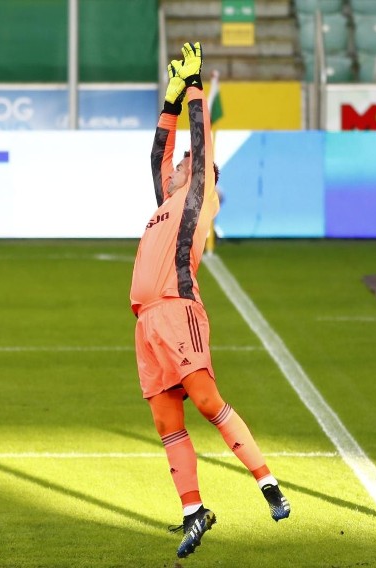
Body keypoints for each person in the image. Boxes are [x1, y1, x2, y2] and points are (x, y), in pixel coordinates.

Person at [129, 41, 291, 559]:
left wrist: (196, 89)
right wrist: (171, 100)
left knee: (204, 401)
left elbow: (199, 144)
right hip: (147, 322)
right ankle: (193, 510)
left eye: (185, 163)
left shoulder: (199, 197)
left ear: (200, 175)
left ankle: (267, 482)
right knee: (164, 420)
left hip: (179, 311)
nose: (175, 164)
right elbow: (157, 152)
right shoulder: (166, 201)